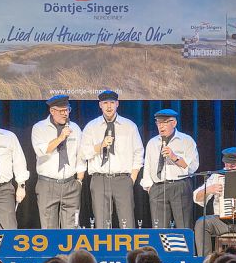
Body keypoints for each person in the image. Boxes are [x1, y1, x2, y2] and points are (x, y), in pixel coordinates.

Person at [79, 89, 144, 229]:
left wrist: (132, 178)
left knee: (127, 222)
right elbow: (83, 154)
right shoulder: (91, 127)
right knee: (101, 222)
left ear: (117, 104)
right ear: (100, 105)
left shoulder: (129, 126)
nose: (109, 106)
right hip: (99, 179)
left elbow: (138, 153)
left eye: (112, 103)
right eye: (105, 103)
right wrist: (100, 146)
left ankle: (130, 250)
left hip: (122, 179)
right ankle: (103, 251)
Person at [31, 95, 85, 229]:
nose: (65, 114)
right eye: (62, 111)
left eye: (67, 110)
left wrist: (79, 180)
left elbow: (80, 155)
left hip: (70, 184)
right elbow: (42, 150)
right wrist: (61, 137)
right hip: (47, 183)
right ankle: (52, 251)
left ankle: (71, 251)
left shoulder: (76, 128)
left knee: (72, 228)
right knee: (49, 229)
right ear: (52, 111)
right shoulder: (39, 127)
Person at [141, 109, 198, 229]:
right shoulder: (152, 142)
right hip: (158, 188)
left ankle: (184, 248)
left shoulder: (186, 140)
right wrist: (150, 187)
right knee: (159, 228)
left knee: (183, 226)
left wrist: (174, 157)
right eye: (158, 123)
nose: (161, 126)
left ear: (174, 123)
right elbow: (147, 166)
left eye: (164, 122)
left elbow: (192, 167)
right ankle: (160, 248)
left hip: (179, 186)